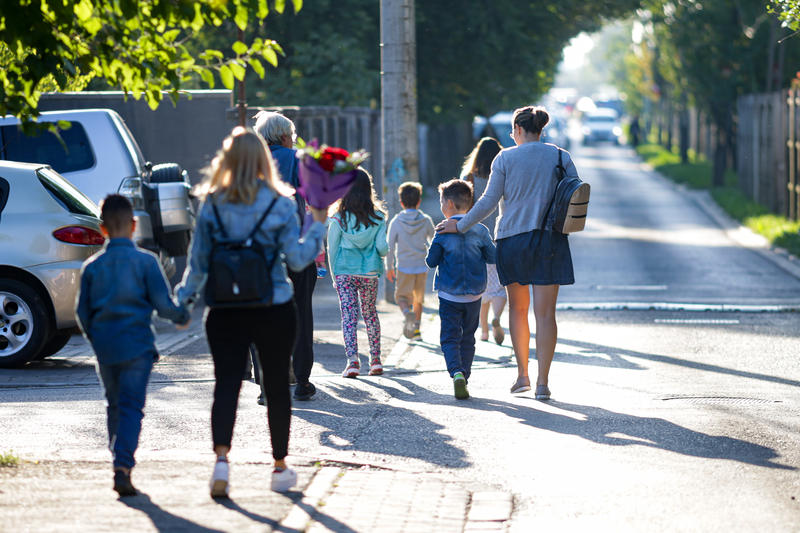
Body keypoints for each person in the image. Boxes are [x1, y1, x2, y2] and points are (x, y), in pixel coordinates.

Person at [176, 127, 327, 496]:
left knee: (226, 385)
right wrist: (319, 223)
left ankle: (222, 464)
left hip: (225, 308)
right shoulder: (279, 202)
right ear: (263, 159)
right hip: (273, 305)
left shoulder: (211, 203)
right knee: (276, 387)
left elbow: (197, 265)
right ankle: (278, 467)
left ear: (225, 161)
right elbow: (297, 257)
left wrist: (182, 303)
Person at [437, 106, 578, 401]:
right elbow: (575, 193)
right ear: (541, 130)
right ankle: (543, 383)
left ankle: (522, 375)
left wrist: (461, 225)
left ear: (516, 130)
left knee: (519, 310)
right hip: (550, 241)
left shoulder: (505, 158)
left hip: (513, 241)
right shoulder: (560, 156)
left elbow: (488, 201)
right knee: (546, 314)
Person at [76, 194, 190, 497]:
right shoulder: (146, 262)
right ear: (134, 225)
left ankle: (118, 459)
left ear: (102, 229)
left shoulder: (92, 267)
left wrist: (96, 338)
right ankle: (123, 466)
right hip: (138, 346)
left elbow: (82, 312)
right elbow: (164, 305)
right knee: (131, 407)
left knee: (114, 404)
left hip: (105, 348)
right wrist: (182, 313)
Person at [253, 110, 318, 402]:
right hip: (295, 246)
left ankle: (266, 384)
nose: (294, 140)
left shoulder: (249, 161)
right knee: (300, 311)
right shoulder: (296, 159)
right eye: (292, 136)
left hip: (258, 250)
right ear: (283, 136)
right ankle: (302, 380)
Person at [426, 179, 495, 400]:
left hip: (449, 295)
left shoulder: (442, 230)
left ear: (448, 204)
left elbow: (431, 261)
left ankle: (456, 372)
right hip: (474, 295)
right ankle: (464, 375)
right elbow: (493, 257)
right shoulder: (481, 230)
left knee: (449, 337)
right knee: (468, 338)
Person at [327, 168, 388, 378]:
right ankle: (376, 360)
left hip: (344, 273)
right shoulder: (378, 217)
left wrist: (335, 277)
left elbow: (332, 250)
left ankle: (352, 361)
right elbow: (383, 248)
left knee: (349, 316)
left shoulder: (337, 220)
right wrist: (382, 249)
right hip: (370, 273)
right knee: (370, 314)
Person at [461, 137, 506, 345]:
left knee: (480, 288)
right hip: (499, 237)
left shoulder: (468, 177)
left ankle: (485, 330)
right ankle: (497, 318)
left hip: (474, 239)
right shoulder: (504, 174)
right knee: (498, 286)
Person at [385, 181, 435, 340]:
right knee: (418, 300)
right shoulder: (426, 220)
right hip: (421, 266)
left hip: (404, 267)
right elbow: (434, 240)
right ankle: (417, 331)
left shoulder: (396, 222)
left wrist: (389, 267)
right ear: (419, 201)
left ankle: (407, 313)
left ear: (401, 202)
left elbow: (390, 246)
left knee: (401, 297)